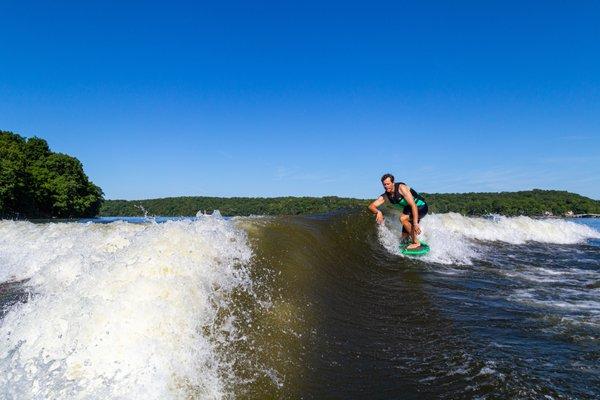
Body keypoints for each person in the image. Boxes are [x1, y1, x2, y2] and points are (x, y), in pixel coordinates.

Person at [368, 173, 428, 249]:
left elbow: (413, 205)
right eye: (384, 184)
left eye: (388, 184)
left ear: (393, 183)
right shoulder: (386, 195)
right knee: (403, 238)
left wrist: (415, 223)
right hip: (408, 210)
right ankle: (411, 240)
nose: (386, 186)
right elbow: (371, 206)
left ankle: (416, 242)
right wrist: (378, 212)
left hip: (420, 207)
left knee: (402, 218)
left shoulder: (401, 188)